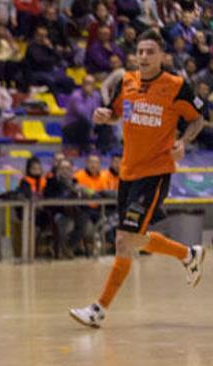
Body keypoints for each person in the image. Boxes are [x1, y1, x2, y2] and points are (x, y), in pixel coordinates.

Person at [70, 30, 207, 328]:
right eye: (140, 52)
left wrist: (183, 142)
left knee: (124, 239)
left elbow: (198, 118)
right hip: (128, 172)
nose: (143, 57)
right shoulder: (127, 81)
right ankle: (188, 254)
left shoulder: (176, 86)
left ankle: (99, 309)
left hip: (155, 172)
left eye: (150, 52)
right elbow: (118, 112)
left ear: (162, 56)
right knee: (127, 240)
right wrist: (105, 115)